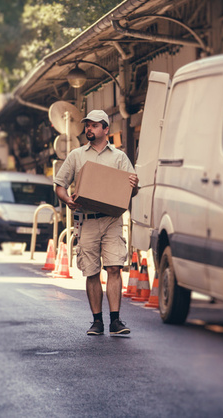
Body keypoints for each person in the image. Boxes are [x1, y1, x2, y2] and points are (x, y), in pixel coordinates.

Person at [54, 109, 139, 336]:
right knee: (91, 271)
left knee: (113, 267)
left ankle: (115, 320)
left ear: (105, 129)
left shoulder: (119, 157)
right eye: (87, 125)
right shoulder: (76, 155)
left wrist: (134, 183)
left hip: (112, 220)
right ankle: (97, 321)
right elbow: (60, 185)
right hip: (88, 220)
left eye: (93, 125)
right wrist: (67, 200)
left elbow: (132, 190)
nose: (89, 129)